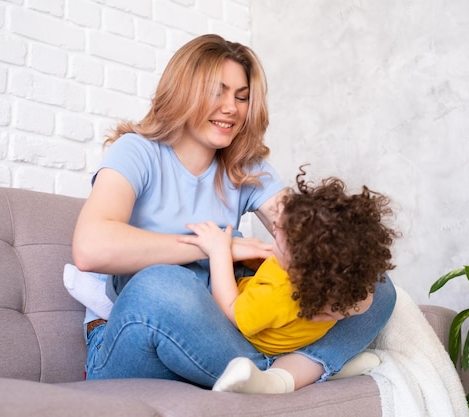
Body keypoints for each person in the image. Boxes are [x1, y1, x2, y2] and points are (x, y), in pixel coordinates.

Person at [70, 33, 398, 390]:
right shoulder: (136, 151)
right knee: (161, 284)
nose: (232, 108)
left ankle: (281, 375)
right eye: (218, 92)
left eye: (242, 97)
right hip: (136, 336)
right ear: (183, 91)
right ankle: (299, 369)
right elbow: (90, 249)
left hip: (225, 336)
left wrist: (339, 297)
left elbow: (317, 238)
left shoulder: (245, 166)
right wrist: (217, 247)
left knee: (375, 284)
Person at [179, 169, 398, 394]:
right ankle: (317, 367)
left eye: (282, 233)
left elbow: (231, 310)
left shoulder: (279, 293)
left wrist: (219, 253)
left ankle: (278, 375)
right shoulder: (349, 291)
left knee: (200, 273)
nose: (274, 227)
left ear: (298, 263)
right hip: (295, 334)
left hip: (256, 336)